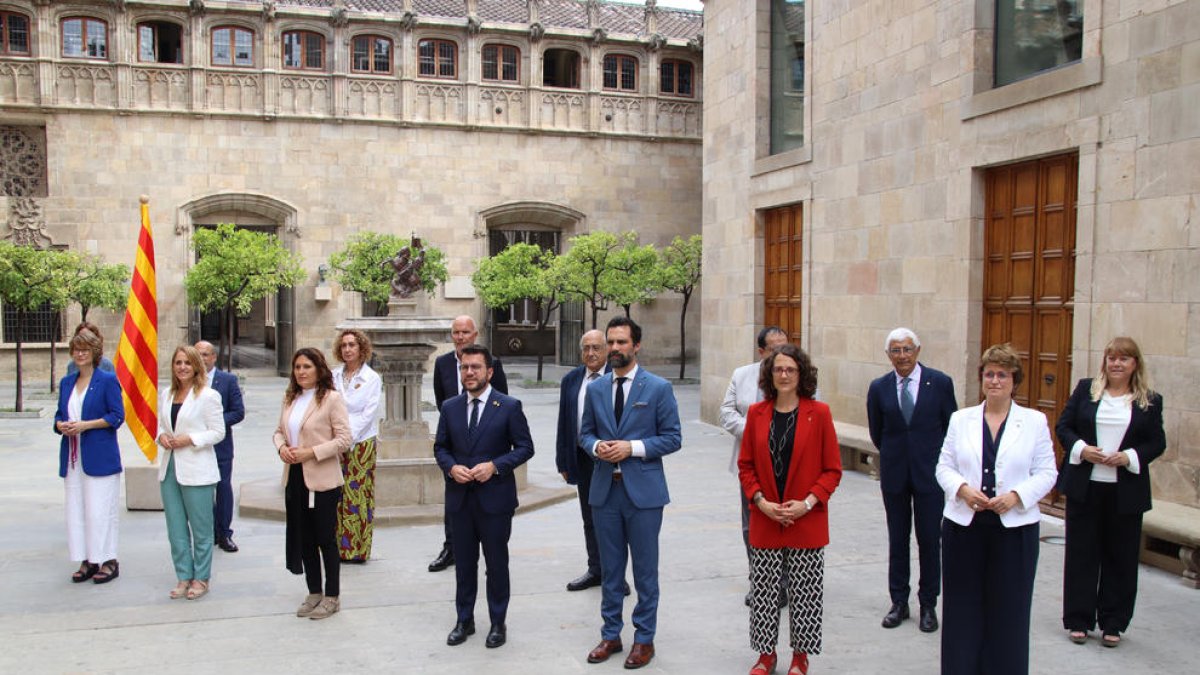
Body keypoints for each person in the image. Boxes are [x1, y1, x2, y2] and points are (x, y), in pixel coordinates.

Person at [935, 343, 1057, 675]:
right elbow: (943, 467)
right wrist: (962, 489)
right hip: (965, 526)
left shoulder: (1033, 422)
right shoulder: (961, 420)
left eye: (1003, 375)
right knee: (963, 607)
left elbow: (1048, 472)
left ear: (1015, 380)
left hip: (1014, 529)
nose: (995, 381)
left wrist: (1016, 496)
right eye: (989, 374)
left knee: (1010, 609)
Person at [581, 316, 682, 670]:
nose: (614, 349)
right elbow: (585, 433)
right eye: (610, 342)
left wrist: (632, 448)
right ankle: (611, 634)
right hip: (605, 492)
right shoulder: (595, 389)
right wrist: (597, 449)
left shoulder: (657, 388)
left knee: (644, 572)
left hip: (644, 495)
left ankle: (644, 639)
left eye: (621, 342)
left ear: (636, 346)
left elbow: (672, 437)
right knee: (610, 571)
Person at [739, 344, 842, 675]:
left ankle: (801, 656)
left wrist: (808, 503)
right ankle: (765, 655)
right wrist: (760, 502)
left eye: (790, 370)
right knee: (765, 591)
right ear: (769, 374)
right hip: (766, 518)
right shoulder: (756, 413)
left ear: (802, 375)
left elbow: (832, 470)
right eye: (778, 369)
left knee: (805, 592)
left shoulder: (820, 413)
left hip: (806, 519)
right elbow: (746, 466)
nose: (783, 375)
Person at [1057, 337, 1165, 648]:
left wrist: (1129, 457)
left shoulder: (1150, 400)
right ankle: (1078, 619)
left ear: (1135, 364)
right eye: (1112, 358)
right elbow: (1064, 427)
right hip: (1086, 487)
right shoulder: (1086, 390)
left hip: (1125, 492)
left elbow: (1157, 442)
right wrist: (1082, 450)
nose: (1116, 363)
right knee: (1081, 554)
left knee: (1121, 557)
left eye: (1124, 359)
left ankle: (1113, 622)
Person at [434, 344, 534, 649]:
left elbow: (525, 447)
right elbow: (440, 448)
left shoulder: (508, 406)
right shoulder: (450, 407)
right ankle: (464, 620)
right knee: (464, 565)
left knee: (496, 563)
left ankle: (497, 622)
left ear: (489, 372)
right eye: (465, 367)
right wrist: (452, 469)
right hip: (460, 501)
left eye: (476, 367)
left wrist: (495, 466)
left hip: (495, 502)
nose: (469, 373)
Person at [866, 327, 956, 631]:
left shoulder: (940, 383)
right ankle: (899, 602)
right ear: (888, 355)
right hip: (894, 476)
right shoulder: (879, 388)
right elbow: (878, 432)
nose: (902, 356)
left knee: (930, 540)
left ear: (917, 351)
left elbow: (950, 428)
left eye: (907, 349)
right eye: (895, 350)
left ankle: (928, 603)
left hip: (930, 476)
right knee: (898, 539)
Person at [273, 348, 352, 620]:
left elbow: (344, 439)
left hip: (322, 478)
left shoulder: (331, 399)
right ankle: (314, 591)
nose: (301, 372)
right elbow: (278, 432)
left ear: (319, 369)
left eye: (307, 366)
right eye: (297, 367)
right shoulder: (290, 398)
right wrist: (282, 447)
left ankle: (332, 596)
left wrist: (312, 452)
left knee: (324, 538)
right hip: (294, 476)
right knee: (304, 538)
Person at [428, 315, 510, 573]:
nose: (461, 336)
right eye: (456, 332)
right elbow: (442, 402)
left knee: (485, 501)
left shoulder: (492, 364)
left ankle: (489, 551)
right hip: (455, 446)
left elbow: (502, 403)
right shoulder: (442, 364)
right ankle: (451, 547)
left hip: (486, 445)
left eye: (465, 332)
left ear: (475, 335)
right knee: (454, 497)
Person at [721, 325, 790, 605]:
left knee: (785, 521)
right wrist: (755, 430)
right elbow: (726, 412)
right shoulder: (742, 375)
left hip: (788, 463)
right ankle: (761, 580)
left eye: (785, 346)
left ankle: (785, 582)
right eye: (775, 349)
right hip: (750, 463)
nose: (781, 354)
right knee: (753, 525)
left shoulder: (800, 374)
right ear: (761, 351)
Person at [54, 326, 124, 584]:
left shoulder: (106, 380)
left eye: (85, 349)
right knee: (77, 510)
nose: (80, 354)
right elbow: (59, 415)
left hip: (99, 455)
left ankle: (109, 559)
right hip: (73, 459)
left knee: (100, 510)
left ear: (95, 352)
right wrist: (61, 425)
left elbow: (117, 416)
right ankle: (87, 559)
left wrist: (85, 425)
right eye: (76, 349)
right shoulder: (66, 382)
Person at [156, 345, 225, 600]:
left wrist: (190, 439)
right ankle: (183, 575)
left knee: (201, 528)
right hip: (170, 468)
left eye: (187, 362)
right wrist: (161, 436)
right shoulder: (166, 394)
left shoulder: (208, 396)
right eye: (178, 362)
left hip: (197, 469)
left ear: (196, 365)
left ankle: (201, 577)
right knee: (175, 528)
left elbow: (218, 432)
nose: (182, 367)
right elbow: (159, 425)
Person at [555, 329, 612, 592]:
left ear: (607, 350)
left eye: (596, 347)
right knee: (589, 517)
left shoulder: (616, 378)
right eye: (586, 348)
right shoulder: (572, 379)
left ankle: (615, 574)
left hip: (613, 459)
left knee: (612, 519)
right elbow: (564, 422)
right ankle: (596, 569)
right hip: (583, 458)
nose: (591, 353)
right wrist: (563, 461)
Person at [331, 329, 382, 563]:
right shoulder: (332, 376)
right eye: (344, 345)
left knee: (357, 496)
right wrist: (336, 440)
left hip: (360, 443)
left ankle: (357, 549)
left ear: (361, 348)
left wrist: (346, 440)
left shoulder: (371, 378)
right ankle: (336, 546)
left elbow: (367, 415)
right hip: (334, 442)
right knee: (336, 495)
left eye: (352, 345)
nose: (348, 349)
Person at [195, 340, 245, 553]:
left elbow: (238, 412)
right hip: (195, 446)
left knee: (223, 488)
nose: (202, 358)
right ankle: (208, 531)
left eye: (206, 354)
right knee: (201, 491)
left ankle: (224, 533)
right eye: (198, 354)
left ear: (214, 357)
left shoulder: (227, 380)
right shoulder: (188, 381)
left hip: (220, 445)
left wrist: (214, 423)